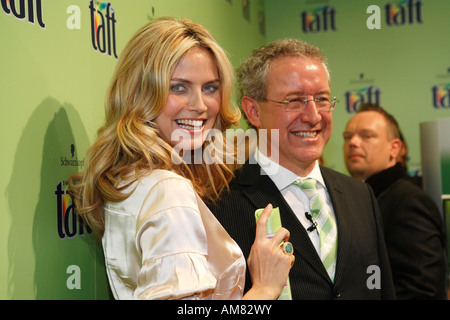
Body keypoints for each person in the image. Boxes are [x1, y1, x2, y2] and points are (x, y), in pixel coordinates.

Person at [68, 17, 294, 300]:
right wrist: (265, 287)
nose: (200, 105)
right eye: (178, 87)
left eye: (210, 88)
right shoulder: (168, 191)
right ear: (140, 93)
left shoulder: (134, 181)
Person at [209, 39, 396, 299]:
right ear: (253, 111)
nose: (313, 116)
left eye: (321, 99)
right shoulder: (219, 205)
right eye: (294, 101)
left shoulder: (360, 196)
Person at [343, 103, 447, 299]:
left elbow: (422, 290)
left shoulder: (408, 201)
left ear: (394, 148)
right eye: (347, 137)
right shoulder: (359, 198)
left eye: (367, 136)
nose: (353, 142)